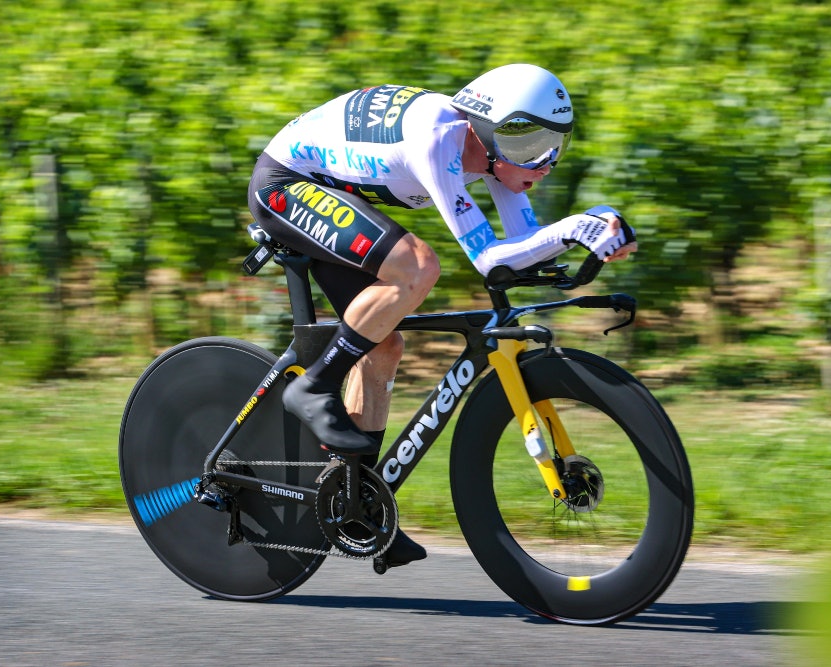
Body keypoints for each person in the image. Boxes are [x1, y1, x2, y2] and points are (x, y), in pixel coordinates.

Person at [247, 63, 637, 567]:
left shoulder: (492, 154)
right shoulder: (440, 139)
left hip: (331, 191)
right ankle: (315, 384)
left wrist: (590, 241)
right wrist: (571, 229)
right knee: (418, 265)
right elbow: (489, 259)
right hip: (285, 185)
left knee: (382, 342)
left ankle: (355, 504)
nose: (541, 163)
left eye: (553, 147)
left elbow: (521, 248)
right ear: (485, 127)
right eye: (526, 146)